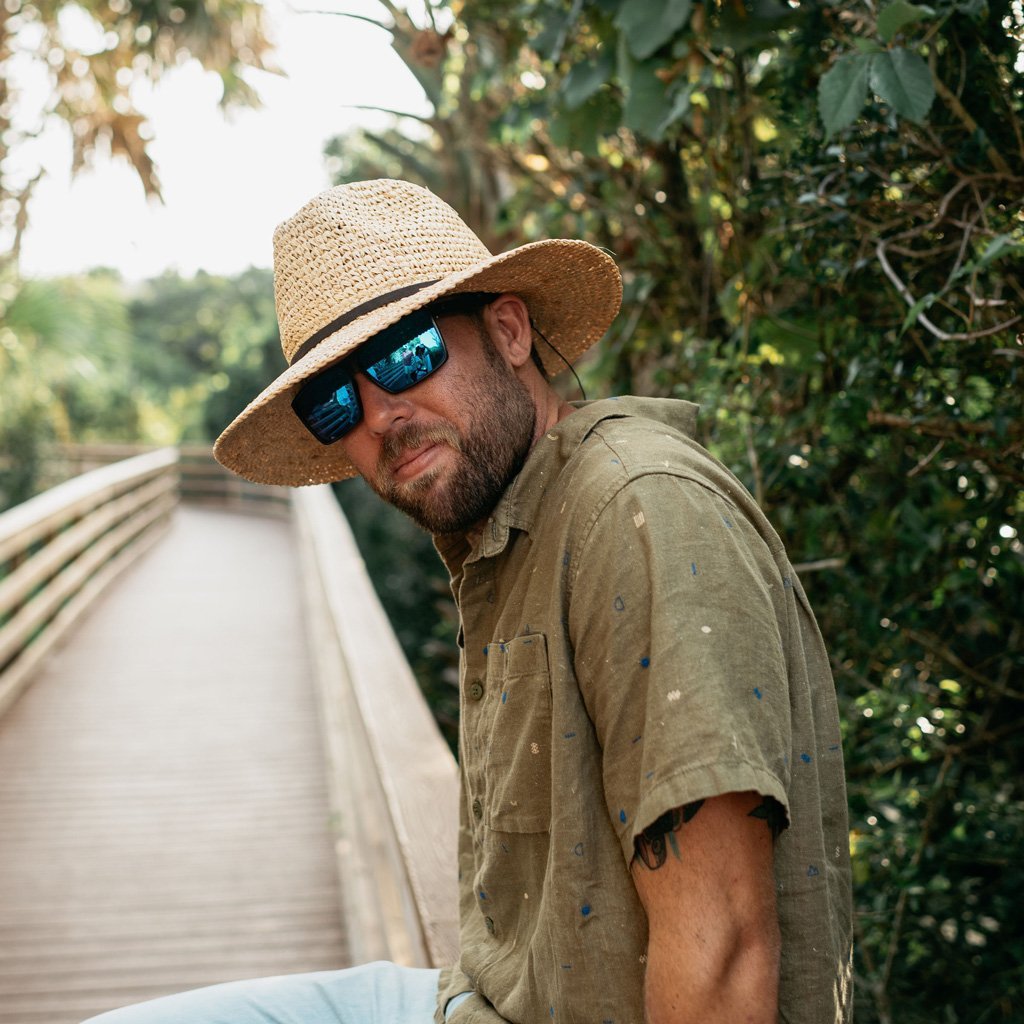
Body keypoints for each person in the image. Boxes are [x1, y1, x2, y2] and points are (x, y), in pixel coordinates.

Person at [85, 179, 853, 1023]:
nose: (381, 414)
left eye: (406, 355)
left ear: (510, 330)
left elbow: (727, 956)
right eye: (336, 400)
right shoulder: (516, 528)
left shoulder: (637, 511)